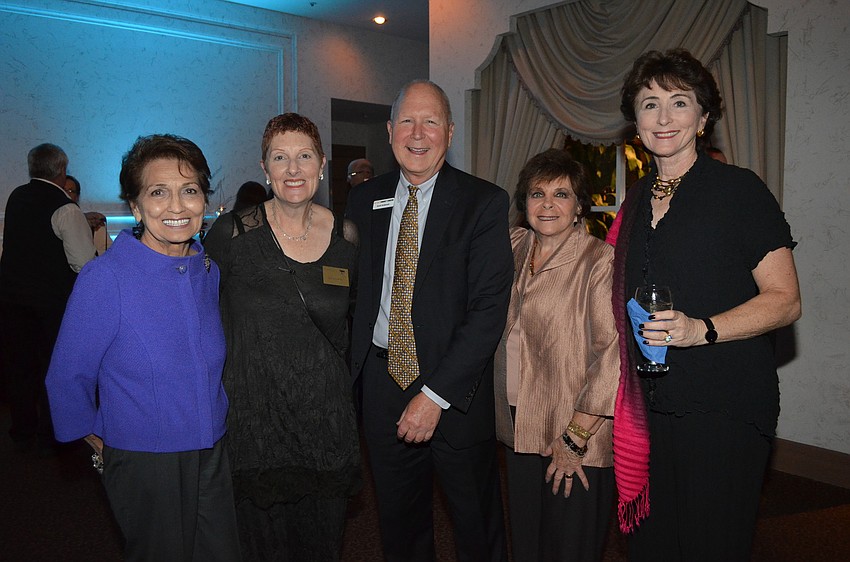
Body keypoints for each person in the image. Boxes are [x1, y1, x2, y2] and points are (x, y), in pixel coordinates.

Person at [612, 49, 802, 560]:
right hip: (648, 406)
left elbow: (785, 300)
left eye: (679, 102)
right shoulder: (635, 200)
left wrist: (702, 329)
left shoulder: (739, 190)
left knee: (709, 545)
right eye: (650, 104)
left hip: (723, 403)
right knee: (652, 547)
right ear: (636, 122)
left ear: (703, 117)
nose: (664, 117)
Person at [45, 134, 242, 561]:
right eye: (158, 192)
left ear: (203, 201)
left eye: (189, 190)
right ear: (135, 207)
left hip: (212, 448)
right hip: (146, 459)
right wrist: (104, 444)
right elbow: (66, 376)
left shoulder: (207, 270)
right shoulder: (106, 277)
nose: (177, 206)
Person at [346, 79, 513, 562]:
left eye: (431, 121)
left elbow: (489, 310)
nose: (417, 134)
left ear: (450, 132)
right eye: (407, 121)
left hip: (454, 392)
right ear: (389, 130)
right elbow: (348, 292)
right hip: (381, 385)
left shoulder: (484, 202)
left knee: (476, 529)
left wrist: (435, 396)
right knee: (399, 529)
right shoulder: (364, 200)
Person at [204, 113, 360, 561]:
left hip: (324, 423)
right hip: (257, 425)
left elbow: (355, 322)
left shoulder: (347, 236)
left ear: (322, 164)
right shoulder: (231, 234)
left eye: (304, 156)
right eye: (280, 158)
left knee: (322, 546)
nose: (293, 169)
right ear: (264, 168)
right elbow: (199, 318)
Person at [494, 149, 619, 561]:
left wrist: (576, 435)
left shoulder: (599, 260)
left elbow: (612, 354)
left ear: (579, 205)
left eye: (561, 194)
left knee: (568, 547)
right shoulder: (514, 245)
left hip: (574, 427)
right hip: (518, 421)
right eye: (537, 194)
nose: (547, 205)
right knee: (527, 543)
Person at [0, 143, 96, 454]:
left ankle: (22, 430)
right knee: (51, 368)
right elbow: (84, 264)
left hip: (12, 298)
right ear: (62, 170)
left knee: (20, 368)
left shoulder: (16, 197)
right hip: (49, 303)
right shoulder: (66, 208)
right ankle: (50, 435)